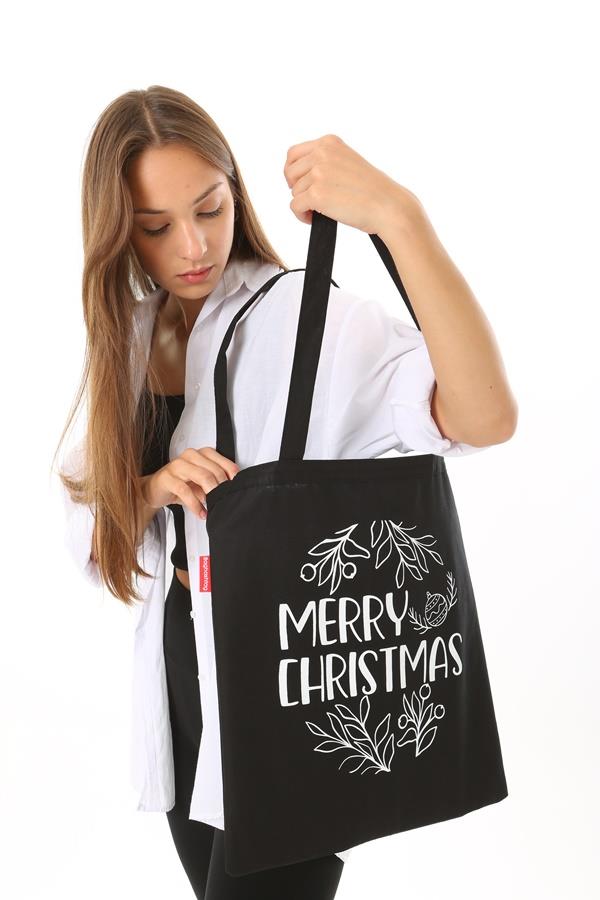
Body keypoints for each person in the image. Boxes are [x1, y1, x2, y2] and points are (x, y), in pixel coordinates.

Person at [54, 85, 518, 899]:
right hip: (184, 695)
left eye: (211, 207)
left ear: (236, 189)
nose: (193, 245)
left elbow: (485, 418)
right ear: (118, 232)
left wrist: (399, 219)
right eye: (155, 227)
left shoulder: (310, 318)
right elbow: (90, 536)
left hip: (295, 688)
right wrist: (154, 487)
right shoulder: (128, 338)